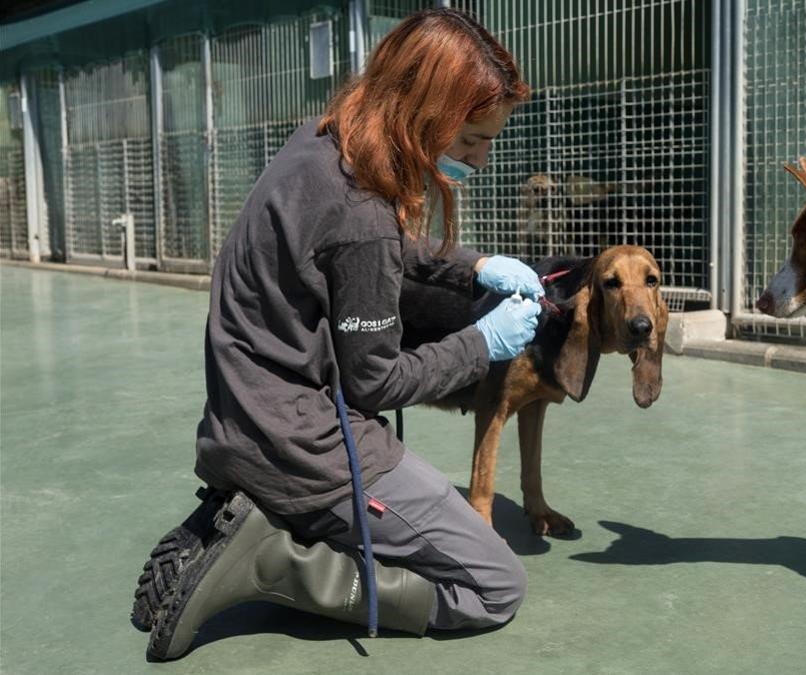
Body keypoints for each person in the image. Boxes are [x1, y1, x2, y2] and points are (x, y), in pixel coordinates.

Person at [134, 8, 544, 660]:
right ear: (423, 117)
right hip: (305, 447)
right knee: (494, 584)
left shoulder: (325, 142)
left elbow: (375, 250)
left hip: (240, 419)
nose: (483, 160)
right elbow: (376, 380)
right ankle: (272, 561)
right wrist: (482, 343)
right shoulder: (364, 216)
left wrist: (474, 267)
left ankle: (244, 513)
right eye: (469, 141)